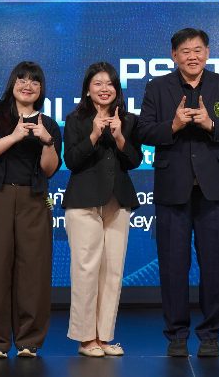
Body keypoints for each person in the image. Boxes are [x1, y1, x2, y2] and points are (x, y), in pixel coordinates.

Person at [137, 28, 219, 358]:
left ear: (208, 53)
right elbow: (143, 131)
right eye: (185, 51)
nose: (192, 56)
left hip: (212, 190)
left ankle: (211, 333)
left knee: (214, 264)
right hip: (173, 189)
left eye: (198, 50)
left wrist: (210, 124)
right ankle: (176, 334)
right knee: (173, 265)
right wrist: (173, 125)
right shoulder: (157, 88)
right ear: (174, 56)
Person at [0, 61, 62, 359]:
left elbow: (49, 169)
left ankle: (29, 340)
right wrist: (14, 136)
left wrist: (47, 142)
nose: (27, 85)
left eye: (35, 81)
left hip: (34, 200)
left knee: (34, 270)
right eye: (22, 79)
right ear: (12, 84)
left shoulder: (48, 124)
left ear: (41, 89)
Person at [63, 62, 143, 357]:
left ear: (117, 89)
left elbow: (134, 160)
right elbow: (71, 160)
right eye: (98, 83)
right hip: (83, 202)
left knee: (113, 270)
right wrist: (94, 135)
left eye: (109, 83)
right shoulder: (76, 120)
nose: (104, 88)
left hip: (117, 202)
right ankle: (86, 339)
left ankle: (104, 336)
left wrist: (120, 137)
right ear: (87, 89)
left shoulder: (129, 120)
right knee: (86, 270)